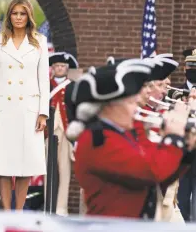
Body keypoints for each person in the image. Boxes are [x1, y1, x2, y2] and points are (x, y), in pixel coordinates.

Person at [67, 61, 196, 219]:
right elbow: (151, 172)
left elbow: (163, 177)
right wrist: (173, 137)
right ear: (109, 107)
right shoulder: (97, 140)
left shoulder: (126, 131)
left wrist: (187, 149)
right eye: (130, 103)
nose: (136, 109)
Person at [0, 0, 50, 210]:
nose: (18, 17)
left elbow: (43, 79)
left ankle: (18, 213)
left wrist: (43, 113)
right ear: (9, 16)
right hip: (2, 109)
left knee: (25, 164)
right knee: (3, 161)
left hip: (29, 109)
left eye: (23, 13)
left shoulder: (40, 41)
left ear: (29, 17)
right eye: (15, 13)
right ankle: (6, 211)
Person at [46, 52, 78, 215]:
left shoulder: (72, 86)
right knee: (47, 170)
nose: (59, 69)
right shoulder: (46, 85)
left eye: (62, 66)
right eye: (57, 66)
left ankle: (61, 207)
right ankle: (48, 204)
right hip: (48, 131)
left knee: (65, 170)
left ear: (67, 69)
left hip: (66, 131)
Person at [178, 48, 196, 221]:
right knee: (181, 202)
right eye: (191, 66)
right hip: (182, 156)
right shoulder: (175, 93)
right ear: (185, 69)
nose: (193, 70)